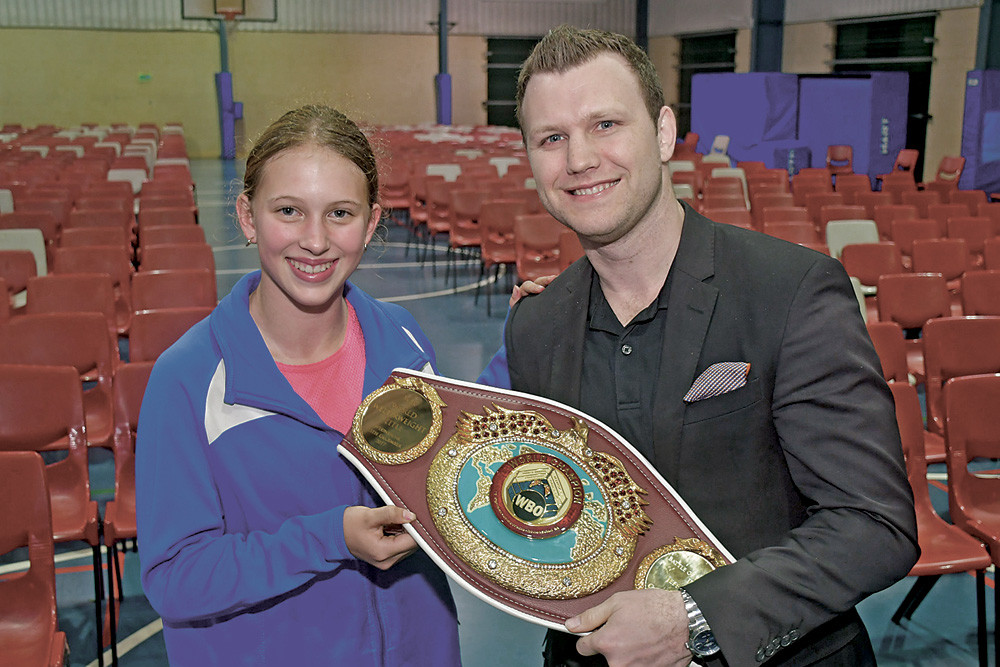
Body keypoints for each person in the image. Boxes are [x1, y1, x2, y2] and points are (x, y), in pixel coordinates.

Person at [479, 25, 918, 667]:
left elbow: (873, 524)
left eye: (605, 125)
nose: (578, 159)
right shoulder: (534, 326)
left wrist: (695, 619)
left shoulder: (789, 291)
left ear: (662, 132)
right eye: (552, 138)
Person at [136, 105, 461, 665]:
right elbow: (175, 577)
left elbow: (450, 468)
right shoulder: (188, 378)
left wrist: (533, 332)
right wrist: (329, 538)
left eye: (340, 212)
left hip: (419, 648)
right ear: (247, 216)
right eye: (289, 210)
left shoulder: (402, 339)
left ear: (372, 220)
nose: (315, 240)